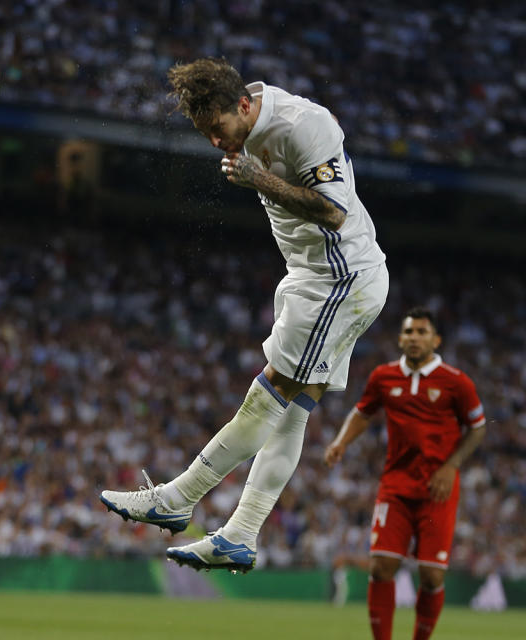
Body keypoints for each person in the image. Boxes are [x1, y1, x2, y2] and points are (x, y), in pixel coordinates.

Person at [100, 57, 388, 572]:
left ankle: (176, 499)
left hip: (340, 279)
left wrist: (260, 179)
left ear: (244, 105)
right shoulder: (244, 119)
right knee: (293, 409)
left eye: (218, 129)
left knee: (268, 394)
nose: (215, 142)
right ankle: (241, 534)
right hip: (316, 276)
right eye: (205, 133)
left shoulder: (303, 125)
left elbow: (333, 212)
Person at [324, 307, 486, 640]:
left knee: (431, 576)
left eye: (422, 332)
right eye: (409, 332)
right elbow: (362, 412)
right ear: (400, 338)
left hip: (437, 489)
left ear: (436, 339)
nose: (414, 338)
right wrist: (341, 442)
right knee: (382, 567)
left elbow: (478, 428)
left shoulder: (456, 382)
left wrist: (451, 466)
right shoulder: (383, 377)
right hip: (395, 486)